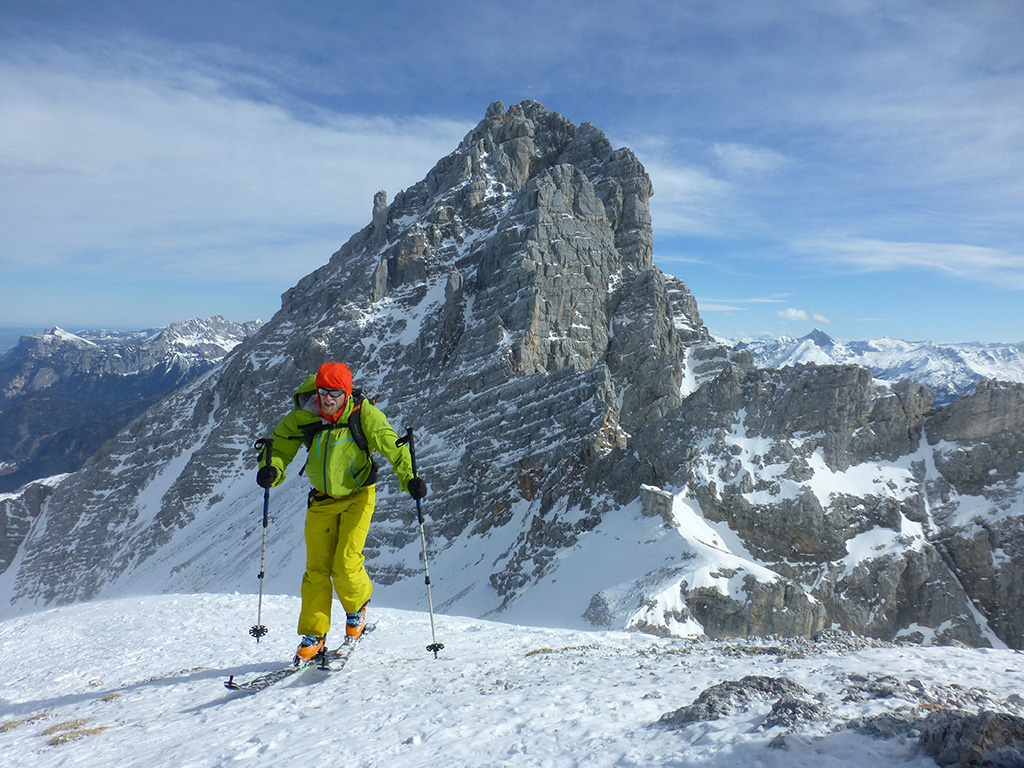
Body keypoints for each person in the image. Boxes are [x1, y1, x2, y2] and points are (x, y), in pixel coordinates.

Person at [256, 361, 427, 664]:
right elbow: (280, 445)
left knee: (345, 563)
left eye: (334, 392)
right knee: (317, 570)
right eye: (322, 391)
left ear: (346, 393)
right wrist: (272, 469)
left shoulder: (364, 416)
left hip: (359, 496)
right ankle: (314, 634)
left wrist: (410, 478)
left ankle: (356, 610)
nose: (327, 398)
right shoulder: (306, 415)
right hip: (321, 500)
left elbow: (394, 447)